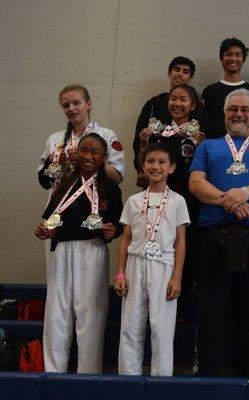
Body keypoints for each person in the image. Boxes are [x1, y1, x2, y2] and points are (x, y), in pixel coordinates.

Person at [189, 89, 249, 376]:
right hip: (214, 237)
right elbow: (196, 184)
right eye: (233, 109)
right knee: (211, 309)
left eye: (245, 109)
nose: (239, 114)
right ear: (224, 114)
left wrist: (245, 192)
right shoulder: (208, 146)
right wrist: (229, 201)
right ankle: (209, 374)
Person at [34, 133, 123, 373]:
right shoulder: (63, 185)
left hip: (92, 250)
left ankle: (89, 374)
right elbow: (52, 221)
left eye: (94, 151)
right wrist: (45, 230)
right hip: (62, 250)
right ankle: (53, 372)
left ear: (104, 157)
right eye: (84, 150)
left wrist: (112, 231)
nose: (88, 156)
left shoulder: (110, 188)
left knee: (90, 315)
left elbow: (118, 226)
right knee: (57, 312)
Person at [115, 142, 190, 376]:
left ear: (171, 167)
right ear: (142, 166)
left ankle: (162, 381)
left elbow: (181, 241)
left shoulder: (178, 201)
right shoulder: (134, 201)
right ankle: (128, 380)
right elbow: (125, 240)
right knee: (130, 325)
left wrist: (177, 277)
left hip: (164, 265)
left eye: (161, 162)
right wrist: (120, 272)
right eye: (150, 161)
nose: (155, 166)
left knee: (162, 327)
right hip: (135, 264)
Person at [37, 84, 125, 278]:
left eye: (76, 103)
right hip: (60, 210)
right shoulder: (55, 139)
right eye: (66, 105)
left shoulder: (106, 135)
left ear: (88, 104)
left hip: (91, 210)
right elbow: (44, 182)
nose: (71, 109)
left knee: (88, 279)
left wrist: (89, 159)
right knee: (57, 274)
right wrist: (52, 160)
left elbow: (118, 177)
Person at [137, 83, 203, 320]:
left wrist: (201, 144)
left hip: (189, 204)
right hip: (157, 203)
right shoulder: (158, 133)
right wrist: (144, 145)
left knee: (186, 251)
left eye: (183, 99)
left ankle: (183, 305)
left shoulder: (199, 136)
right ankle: (150, 301)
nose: (177, 103)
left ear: (193, 105)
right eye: (173, 98)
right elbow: (143, 168)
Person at [133, 57, 198, 178]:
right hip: (155, 170)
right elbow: (140, 137)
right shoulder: (153, 104)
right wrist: (140, 169)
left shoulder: (198, 108)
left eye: (185, 72)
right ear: (169, 73)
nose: (180, 74)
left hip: (187, 173)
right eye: (176, 69)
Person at [201, 37, 249, 138]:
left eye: (237, 55)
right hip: (217, 148)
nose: (233, 59)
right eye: (229, 54)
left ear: (243, 59)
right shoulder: (210, 91)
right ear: (221, 58)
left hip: (247, 148)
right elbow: (205, 124)